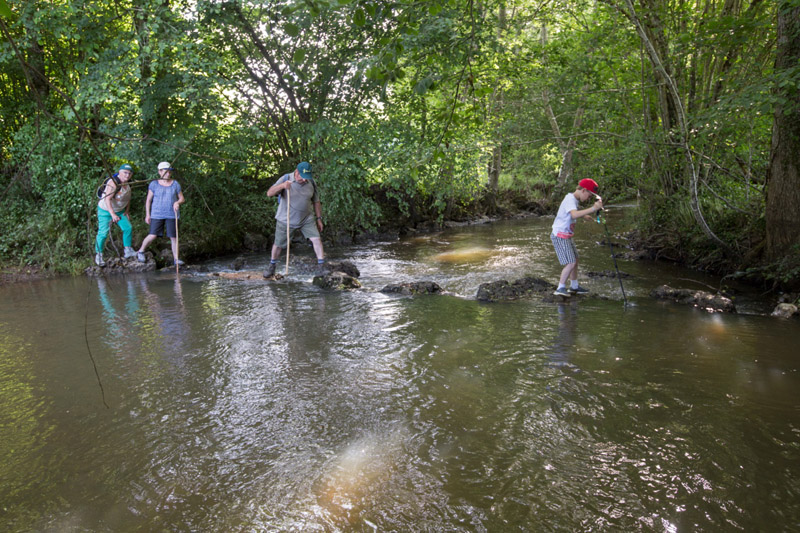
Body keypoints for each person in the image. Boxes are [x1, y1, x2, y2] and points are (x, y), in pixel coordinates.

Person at [263, 161, 325, 277]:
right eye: (303, 177)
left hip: (306, 218)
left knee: (316, 240)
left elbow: (316, 201)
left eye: (307, 177)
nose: (305, 180)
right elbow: (269, 193)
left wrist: (319, 218)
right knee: (278, 245)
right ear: (297, 172)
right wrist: (282, 186)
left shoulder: (311, 182)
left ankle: (321, 267)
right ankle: (272, 266)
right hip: (286, 219)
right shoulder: (286, 178)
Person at [551, 178, 603, 297]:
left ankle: (574, 286)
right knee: (571, 262)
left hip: (566, 235)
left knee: (575, 259)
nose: (588, 199)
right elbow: (573, 214)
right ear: (584, 190)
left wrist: (584, 216)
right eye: (589, 196)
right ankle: (560, 288)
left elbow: (573, 210)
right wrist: (593, 208)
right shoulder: (570, 199)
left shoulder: (573, 198)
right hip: (560, 235)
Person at [136, 161, 185, 266]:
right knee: (153, 235)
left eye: (169, 172)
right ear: (160, 171)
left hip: (172, 214)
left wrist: (177, 202)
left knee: (173, 237)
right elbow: (148, 200)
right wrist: (147, 215)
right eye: (166, 171)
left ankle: (176, 259)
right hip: (157, 214)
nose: (168, 174)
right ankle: (140, 251)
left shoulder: (175, 184)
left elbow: (182, 198)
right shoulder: (154, 184)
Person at [95, 163, 136, 266]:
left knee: (128, 228)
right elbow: (107, 199)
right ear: (119, 172)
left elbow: (128, 198)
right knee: (103, 233)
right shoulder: (113, 183)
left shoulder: (128, 183)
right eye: (125, 173)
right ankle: (99, 255)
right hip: (105, 210)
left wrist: (127, 211)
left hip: (120, 210)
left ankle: (128, 250)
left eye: (129, 173)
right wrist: (112, 214)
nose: (127, 175)